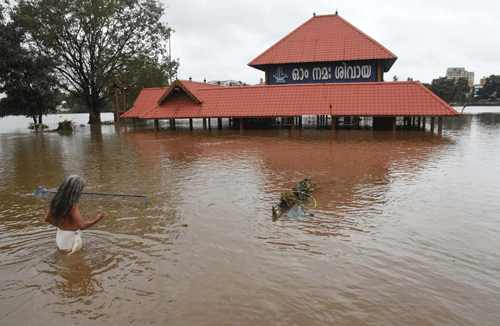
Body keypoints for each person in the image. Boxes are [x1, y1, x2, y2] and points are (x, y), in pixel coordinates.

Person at [44, 175, 106, 253]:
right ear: (73, 190)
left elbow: (47, 218)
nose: (81, 192)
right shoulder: (71, 205)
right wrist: (97, 219)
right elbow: (82, 226)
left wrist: (60, 225)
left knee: (62, 259)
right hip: (71, 239)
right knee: (74, 262)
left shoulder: (55, 200)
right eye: (80, 190)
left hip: (60, 235)